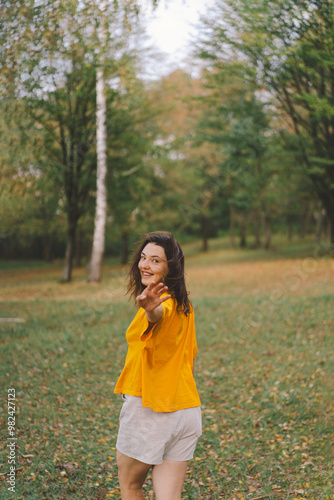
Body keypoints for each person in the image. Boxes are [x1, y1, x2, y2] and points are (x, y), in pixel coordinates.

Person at [114, 231, 202, 500]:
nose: (145, 265)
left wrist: (150, 309)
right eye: (143, 258)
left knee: (131, 486)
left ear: (170, 268)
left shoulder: (161, 306)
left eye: (155, 261)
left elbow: (156, 316)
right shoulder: (185, 307)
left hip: (152, 411)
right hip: (186, 413)